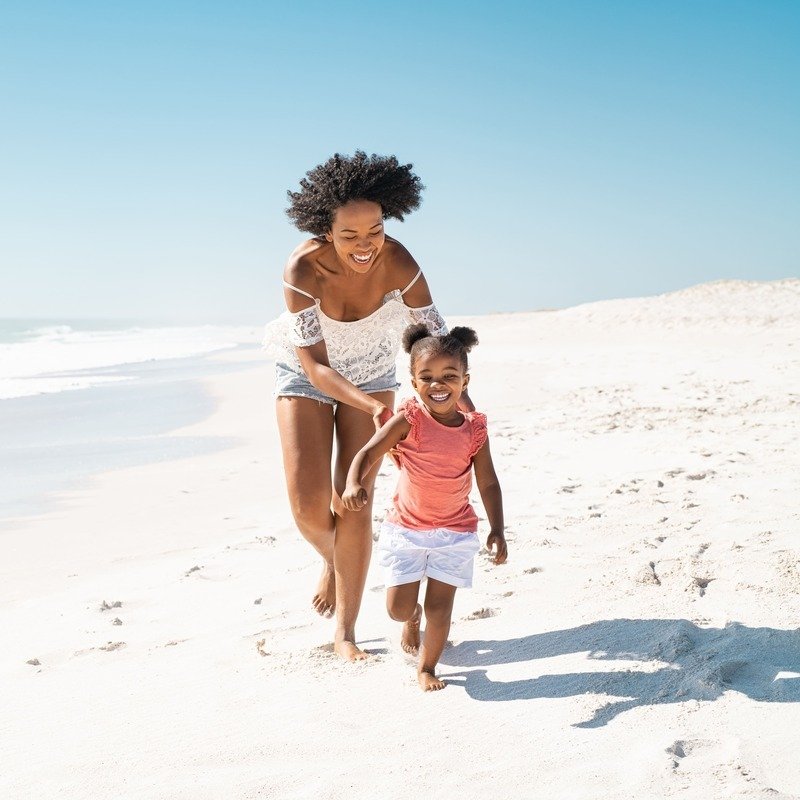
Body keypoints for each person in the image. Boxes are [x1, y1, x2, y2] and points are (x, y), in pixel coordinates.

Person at [263, 152, 462, 662]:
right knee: (309, 507)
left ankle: (345, 632)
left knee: (354, 499)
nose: (365, 245)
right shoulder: (302, 268)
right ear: (324, 230)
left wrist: (460, 413)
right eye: (349, 235)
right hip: (308, 373)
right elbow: (315, 369)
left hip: (373, 369)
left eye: (374, 230)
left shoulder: (399, 261)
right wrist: (374, 409)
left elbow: (436, 346)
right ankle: (334, 561)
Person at [342, 324, 507, 690]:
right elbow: (368, 452)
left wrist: (497, 528)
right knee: (398, 608)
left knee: (440, 608)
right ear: (414, 383)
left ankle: (427, 668)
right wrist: (354, 482)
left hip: (454, 532)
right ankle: (411, 618)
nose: (438, 384)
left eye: (449, 376)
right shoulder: (409, 421)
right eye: (427, 377)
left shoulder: (474, 430)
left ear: (465, 381)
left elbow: (488, 481)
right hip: (406, 530)